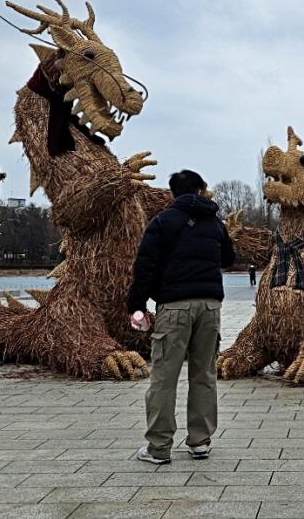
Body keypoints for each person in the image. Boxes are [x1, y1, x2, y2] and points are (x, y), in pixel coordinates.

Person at [127, 169, 235, 465]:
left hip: (174, 307)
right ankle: (200, 441)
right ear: (201, 190)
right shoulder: (215, 223)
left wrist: (136, 305)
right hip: (210, 306)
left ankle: (159, 447)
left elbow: (144, 268)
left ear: (172, 192)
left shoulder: (162, 222)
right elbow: (229, 259)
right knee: (204, 374)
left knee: (164, 376)